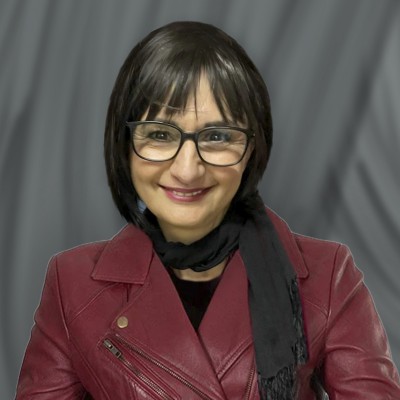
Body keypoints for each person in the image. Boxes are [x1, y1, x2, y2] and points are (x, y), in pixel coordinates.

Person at [16, 21, 400, 400]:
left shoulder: (328, 276)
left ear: (251, 149)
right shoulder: (71, 284)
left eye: (217, 137)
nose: (187, 170)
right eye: (160, 134)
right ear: (124, 146)